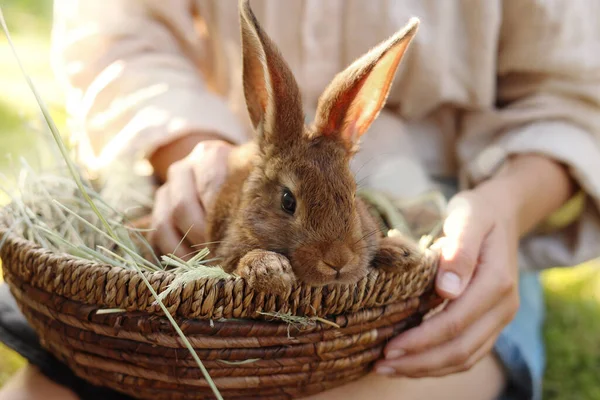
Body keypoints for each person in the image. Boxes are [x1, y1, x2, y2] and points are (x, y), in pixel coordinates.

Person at [1, 1, 600, 399]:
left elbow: (571, 98)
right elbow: (122, 39)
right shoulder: (260, 193)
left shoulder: (353, 217)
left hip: (449, 201)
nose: (340, 256)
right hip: (206, 166)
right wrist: (195, 153)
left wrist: (501, 207)